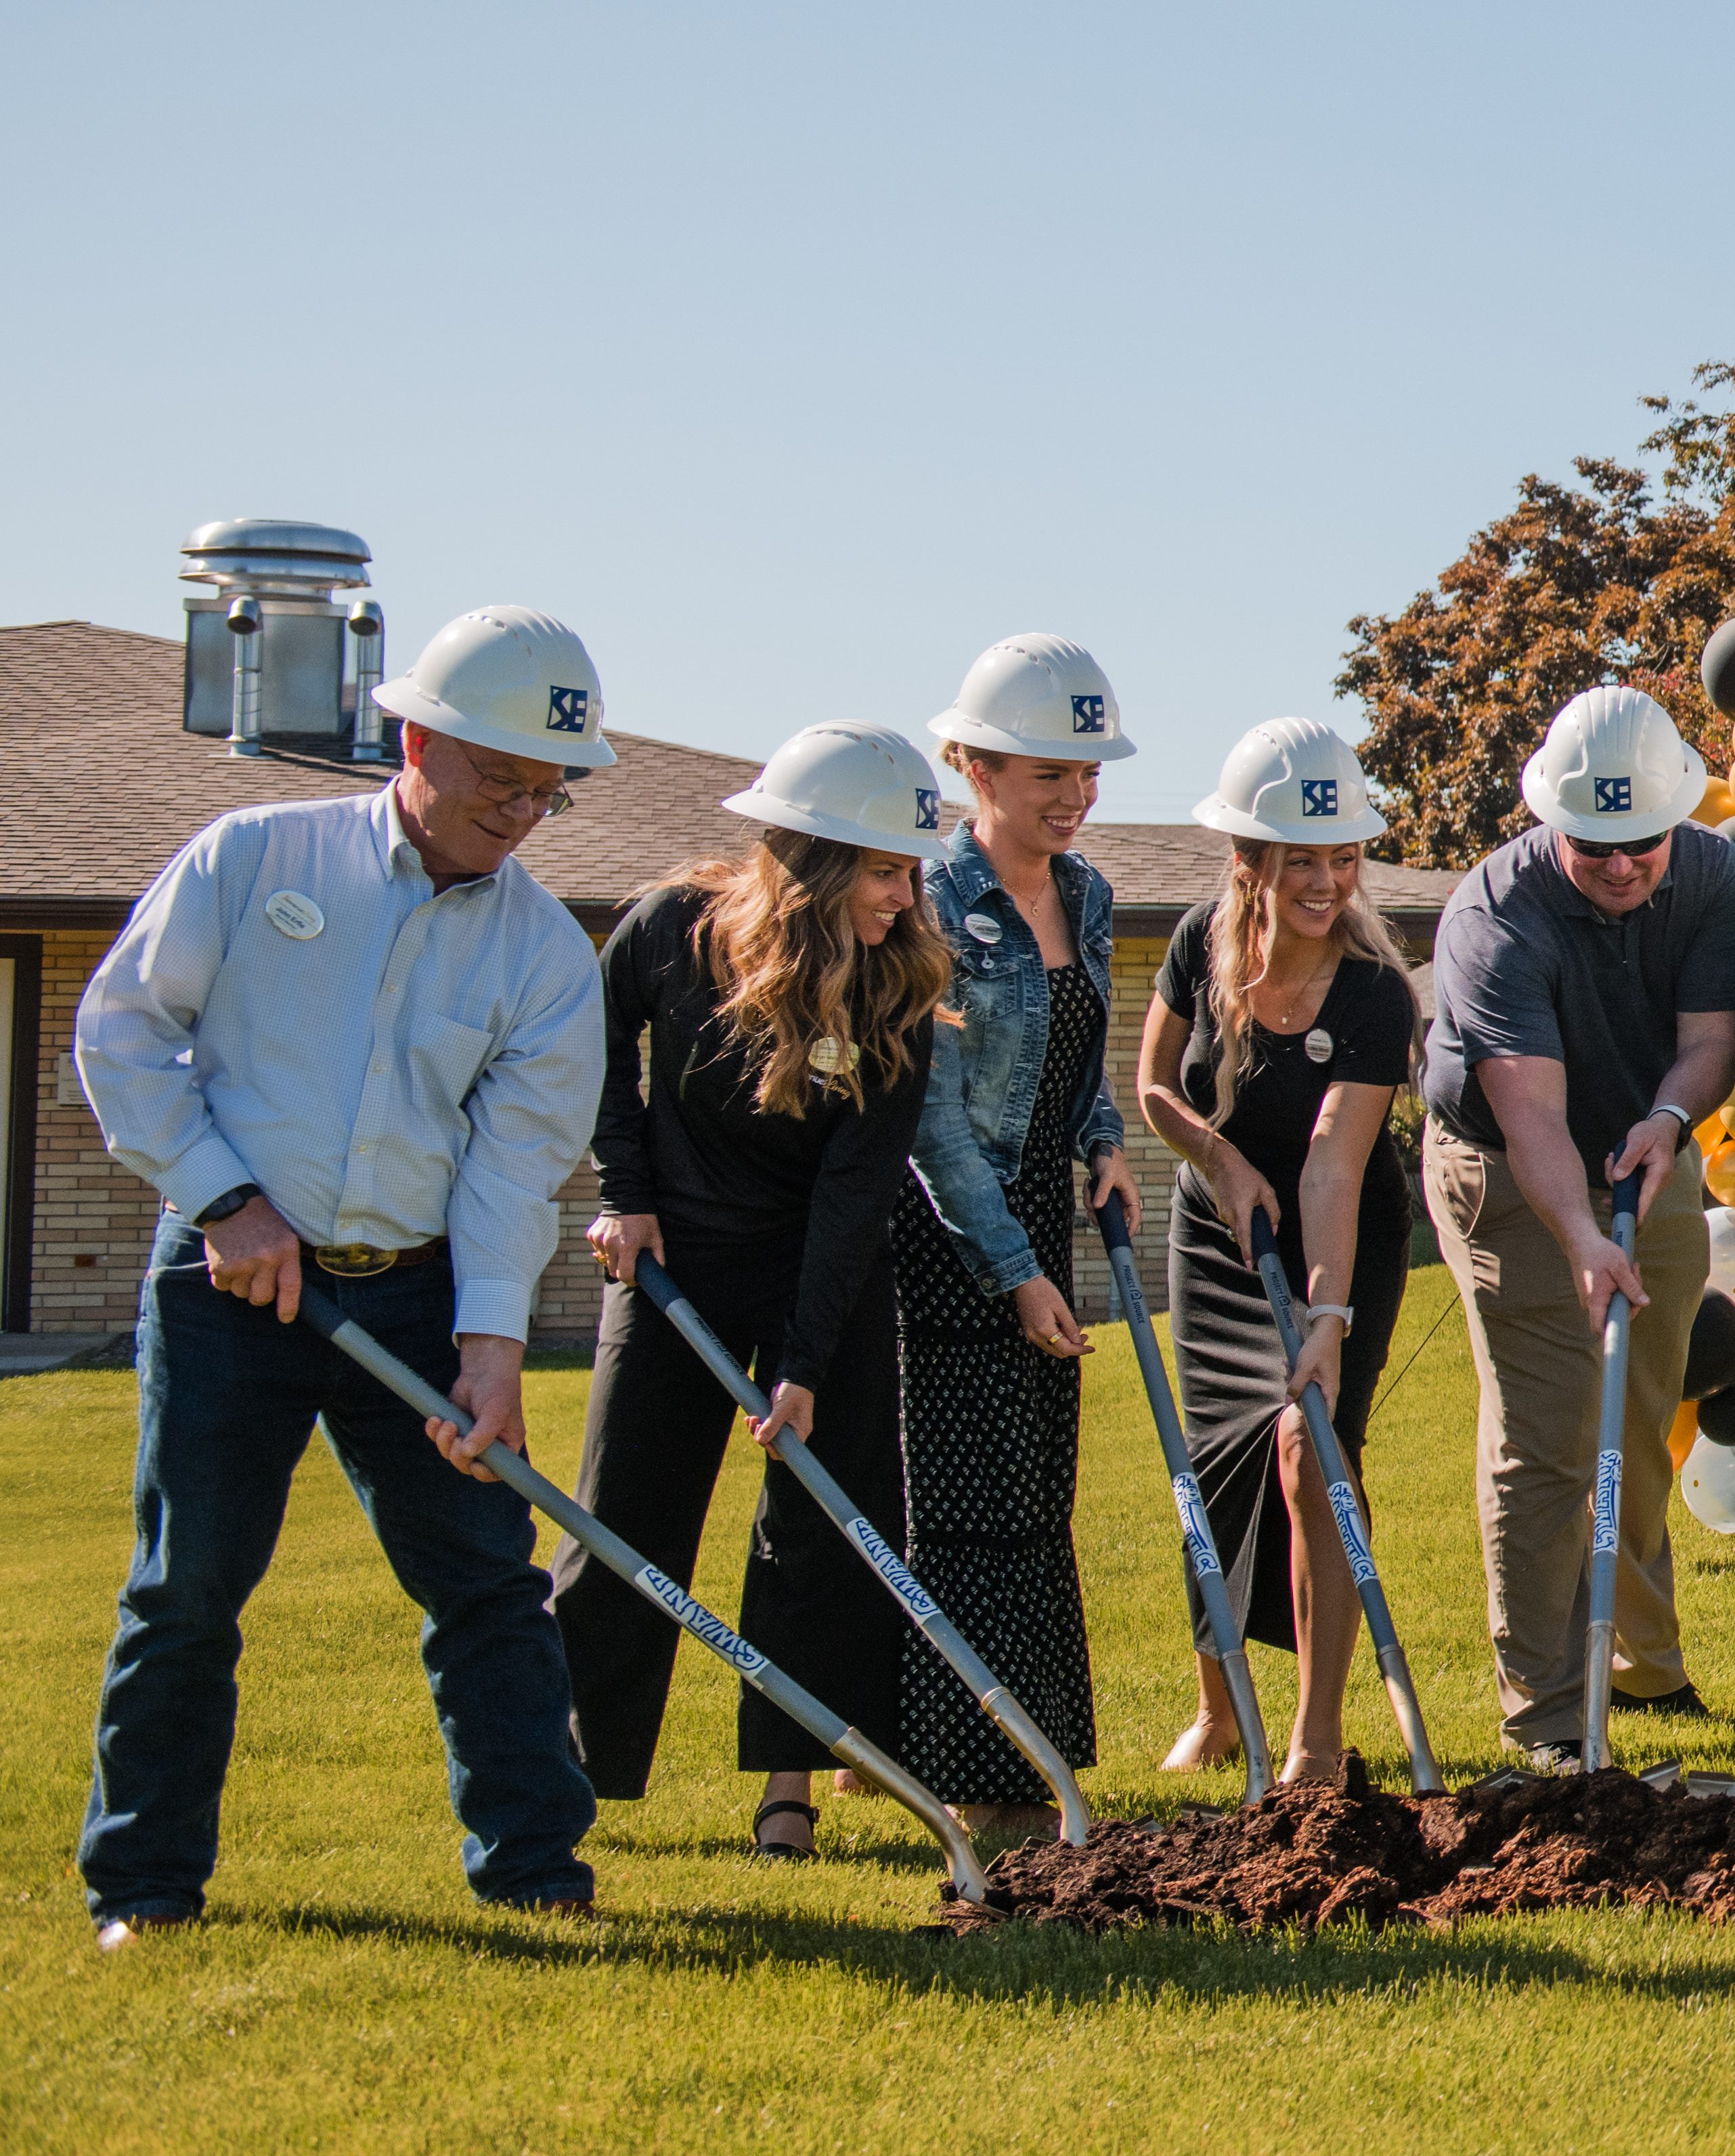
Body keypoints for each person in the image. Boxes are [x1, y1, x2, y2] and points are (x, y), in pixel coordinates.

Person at [70, 604, 617, 1945]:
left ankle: (537, 1876)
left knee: (488, 1579)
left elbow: (511, 1165)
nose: (524, 812)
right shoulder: (256, 858)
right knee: (188, 1581)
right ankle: (142, 1886)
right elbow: (127, 1030)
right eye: (503, 779)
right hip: (229, 1285)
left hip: (416, 1294)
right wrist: (226, 1200)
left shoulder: (544, 953)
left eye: (550, 791)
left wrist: (491, 1341)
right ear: (418, 735)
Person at [564, 722, 952, 1857]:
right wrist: (624, 1188)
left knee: (818, 1532)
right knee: (621, 1516)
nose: (904, 892)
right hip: (672, 1264)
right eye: (885, 869)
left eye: (909, 868)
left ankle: (788, 1786)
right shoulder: (667, 932)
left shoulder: (901, 981)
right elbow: (591, 1047)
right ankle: (574, 1773)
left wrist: (803, 1363)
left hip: (818, 1271)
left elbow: (857, 1192)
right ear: (815, 860)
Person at [1419, 683, 1735, 1766]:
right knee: (1552, 1436)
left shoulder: (1710, 870)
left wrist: (1668, 1120)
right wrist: (1582, 1240)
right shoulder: (1492, 917)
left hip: (1646, 1146)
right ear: (1552, 821)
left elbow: (1709, 1040)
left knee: (1643, 1420)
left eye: (1641, 842)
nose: (1621, 865)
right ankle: (1550, 1714)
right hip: (1511, 1168)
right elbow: (1528, 1111)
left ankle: (1644, 1672)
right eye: (1594, 843)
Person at [1135, 716, 1419, 1789]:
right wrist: (1216, 1161)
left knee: (1315, 1459)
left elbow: (1333, 1166)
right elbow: (1155, 1089)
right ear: (1248, 858)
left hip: (1339, 1231)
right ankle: (1218, 1711)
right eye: (1302, 857)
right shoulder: (1199, 940)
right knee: (1214, 1470)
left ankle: (1315, 1738)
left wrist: (1329, 1321)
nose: (1326, 880)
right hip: (1216, 1228)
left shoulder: (1374, 991)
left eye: (1343, 857)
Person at [896, 634, 1140, 1838]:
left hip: (1045, 1213)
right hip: (952, 1234)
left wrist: (1101, 1136)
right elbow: (933, 1128)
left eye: (1088, 770)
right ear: (972, 765)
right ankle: (984, 1791)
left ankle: (1025, 1754)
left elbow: (1075, 1052)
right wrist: (1015, 1272)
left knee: (1041, 1499)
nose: (1076, 793)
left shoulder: (1085, 893)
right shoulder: (931, 900)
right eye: (1050, 769)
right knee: (970, 1512)